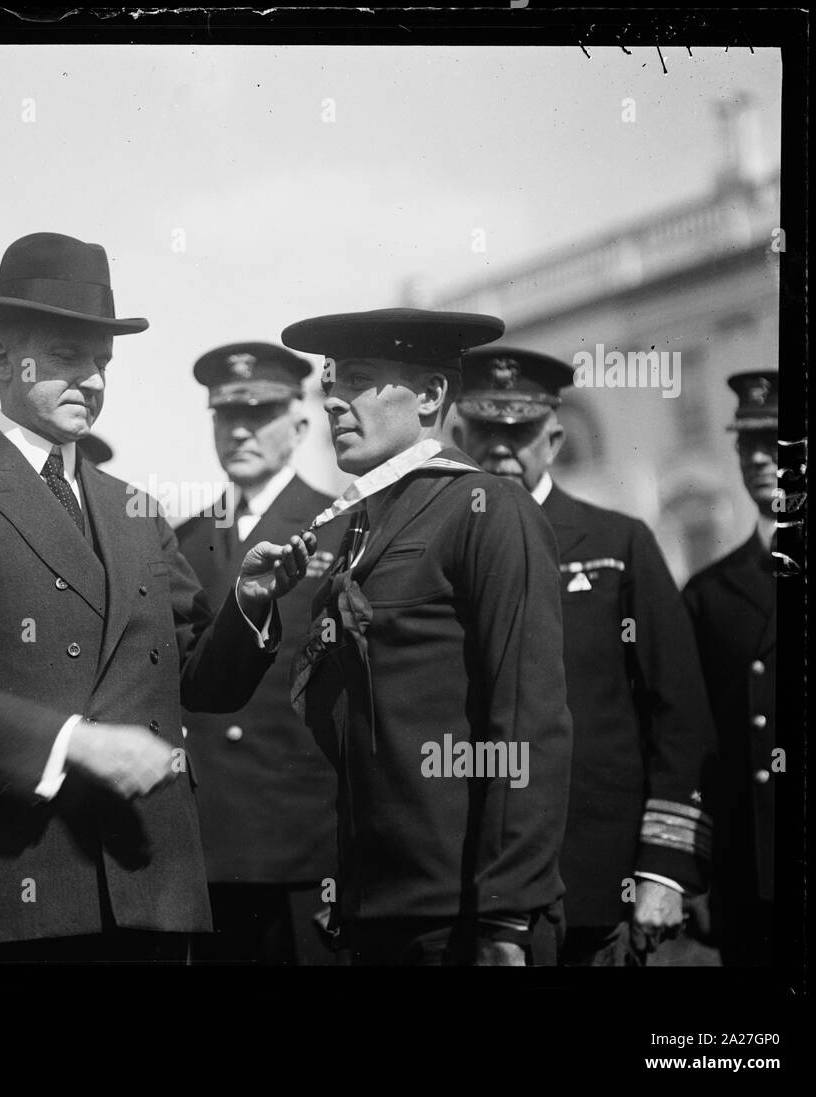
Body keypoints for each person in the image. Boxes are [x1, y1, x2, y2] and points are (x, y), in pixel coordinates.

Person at [0, 232, 314, 963]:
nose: (93, 380)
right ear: (2, 358)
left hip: (152, 889)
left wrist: (252, 601)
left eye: (103, 362)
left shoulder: (137, 508)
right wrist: (73, 743)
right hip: (15, 890)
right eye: (69, 357)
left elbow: (202, 678)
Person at [282, 308, 573, 966]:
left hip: (464, 916)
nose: (332, 398)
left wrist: (506, 915)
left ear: (432, 396)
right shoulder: (364, 526)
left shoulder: (489, 510)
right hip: (378, 907)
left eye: (357, 378)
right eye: (330, 380)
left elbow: (526, 719)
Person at [453, 346, 716, 965]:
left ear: (553, 437)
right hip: (461, 879)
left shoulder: (618, 544)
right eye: (485, 430)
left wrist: (663, 868)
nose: (500, 447)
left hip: (593, 876)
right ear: (460, 434)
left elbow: (679, 712)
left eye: (517, 431)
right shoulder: (434, 551)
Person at [179, 343, 344, 965]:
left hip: (308, 841)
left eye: (261, 413)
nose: (240, 429)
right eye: (227, 416)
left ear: (300, 425)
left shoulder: (339, 528)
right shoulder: (183, 540)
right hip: (212, 843)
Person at [683, 371, 779, 965]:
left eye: (778, 441)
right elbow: (692, 739)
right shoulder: (709, 594)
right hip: (753, 879)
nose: (761, 458)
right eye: (748, 445)